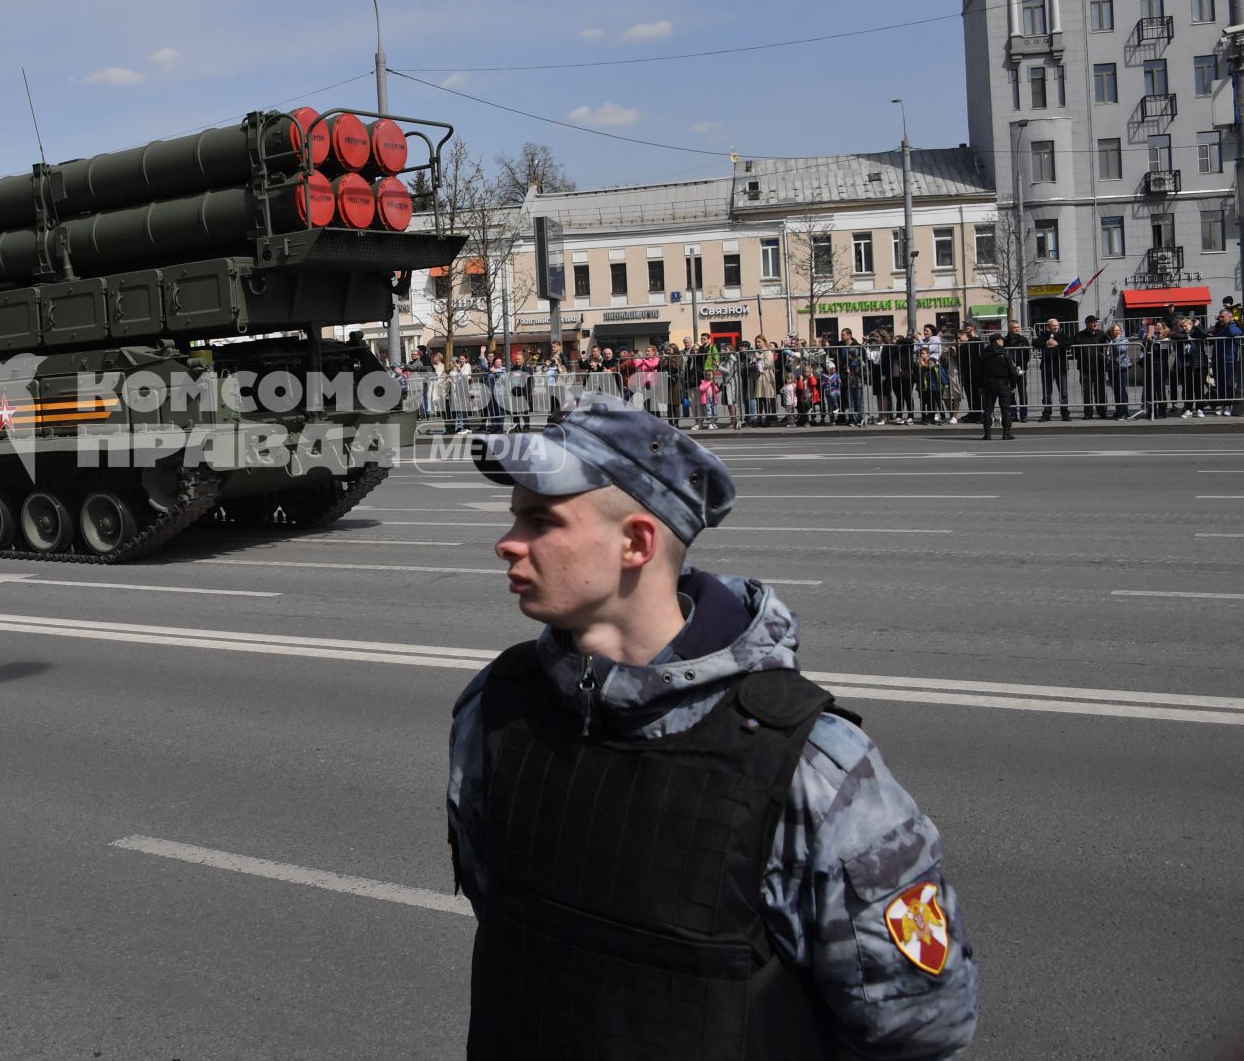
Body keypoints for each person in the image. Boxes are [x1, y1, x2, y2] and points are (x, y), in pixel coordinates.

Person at [450, 396, 979, 1058]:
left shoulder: (814, 766)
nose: (508, 541)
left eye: (540, 520)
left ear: (636, 542)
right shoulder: (496, 709)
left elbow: (918, 1025)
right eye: (514, 518)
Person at [975, 332, 1020, 440]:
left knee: (988, 409)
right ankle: (1006, 432)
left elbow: (979, 371)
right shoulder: (1004, 352)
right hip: (1002, 383)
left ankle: (987, 433)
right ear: (998, 341)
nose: (1003, 341)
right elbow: (1011, 370)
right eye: (1001, 340)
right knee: (1005, 409)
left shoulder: (984, 353)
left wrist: (980, 385)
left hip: (988, 384)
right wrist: (1013, 385)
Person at [1037, 318, 1070, 421]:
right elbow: (1035, 343)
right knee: (1047, 392)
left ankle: (1065, 413)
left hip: (1061, 367)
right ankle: (1047, 413)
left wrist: (1057, 344)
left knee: (1063, 392)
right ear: (1048, 327)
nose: (1056, 327)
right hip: (1047, 368)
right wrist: (1046, 343)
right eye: (1053, 326)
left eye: (1057, 326)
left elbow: (1070, 342)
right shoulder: (1043, 336)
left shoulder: (1062, 335)